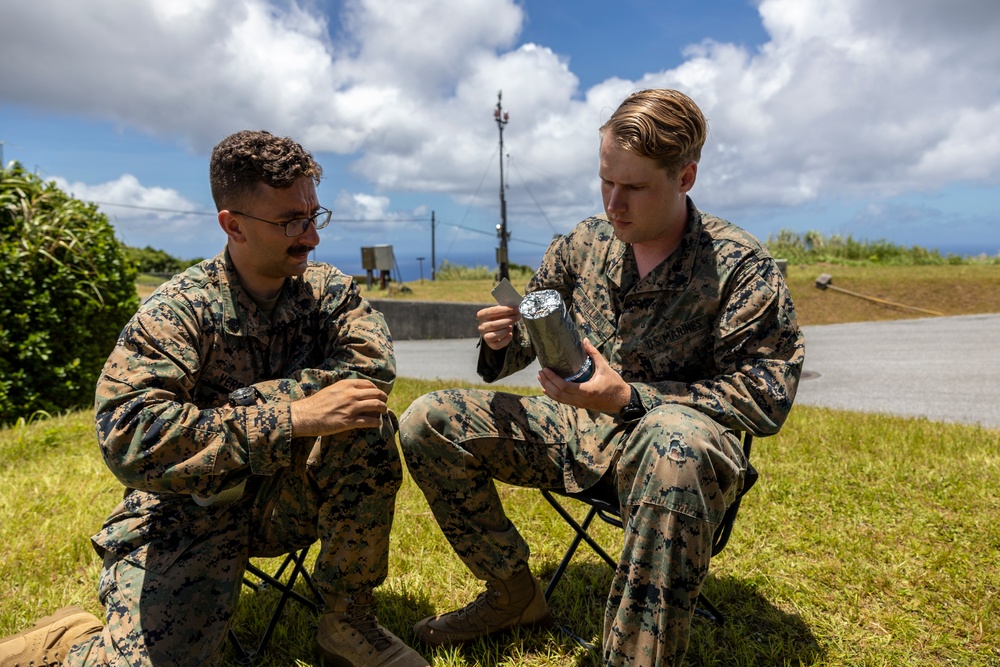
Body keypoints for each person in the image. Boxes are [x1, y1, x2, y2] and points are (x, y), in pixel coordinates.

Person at [399, 89, 805, 666]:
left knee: (674, 442)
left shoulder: (739, 268)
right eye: (605, 182)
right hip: (575, 429)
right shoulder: (584, 244)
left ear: (685, 176)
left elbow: (765, 398)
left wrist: (629, 398)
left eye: (635, 187)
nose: (615, 203)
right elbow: (533, 337)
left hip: (666, 453)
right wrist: (503, 339)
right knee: (427, 420)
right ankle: (513, 596)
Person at [0, 130, 427, 667]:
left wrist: (247, 414)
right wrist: (290, 417)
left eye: (315, 216)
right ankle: (67, 641)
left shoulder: (328, 289)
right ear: (233, 225)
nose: (311, 237)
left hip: (282, 499)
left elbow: (369, 373)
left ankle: (348, 624)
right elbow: (132, 437)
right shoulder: (179, 311)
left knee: (365, 425)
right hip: (188, 512)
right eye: (291, 221)